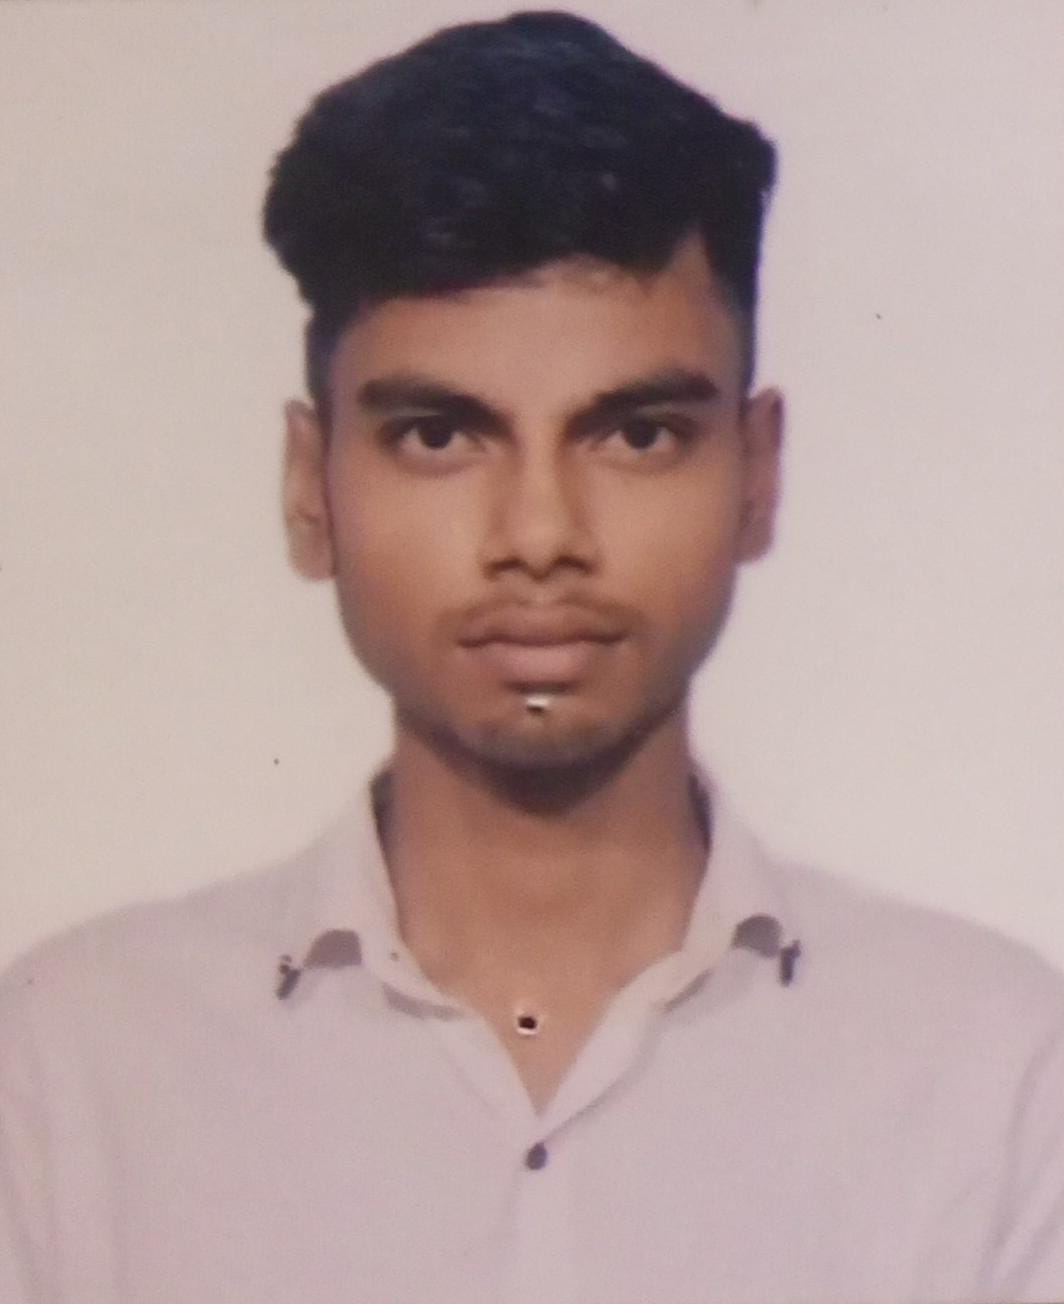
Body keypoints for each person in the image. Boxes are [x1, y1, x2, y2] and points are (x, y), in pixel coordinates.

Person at [3, 11, 1064, 1303]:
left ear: (757, 475)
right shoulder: (69, 1075)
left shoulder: (1000, 1080)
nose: (542, 536)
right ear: (308, 487)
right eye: (440, 435)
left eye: (638, 435)